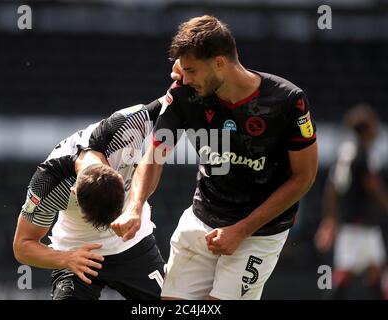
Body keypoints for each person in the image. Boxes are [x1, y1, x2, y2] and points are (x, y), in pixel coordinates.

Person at [111, 15, 318, 300]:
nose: (185, 77)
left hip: (259, 233)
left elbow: (304, 177)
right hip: (201, 219)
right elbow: (154, 156)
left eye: (192, 70)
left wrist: (241, 231)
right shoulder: (185, 94)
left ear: (220, 62)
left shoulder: (288, 101)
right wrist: (134, 207)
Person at [13, 100, 166, 300]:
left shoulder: (125, 127)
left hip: (132, 244)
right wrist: (66, 259)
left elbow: (174, 97)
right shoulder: (48, 185)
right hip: (77, 254)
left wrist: (179, 72)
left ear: (118, 177)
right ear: (74, 191)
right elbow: (22, 246)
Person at [315, 104, 388, 299]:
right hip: (359, 224)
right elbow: (373, 188)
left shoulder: (347, 151)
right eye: (373, 125)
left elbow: (333, 188)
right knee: (345, 275)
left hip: (356, 223)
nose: (376, 128)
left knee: (376, 272)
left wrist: (329, 219)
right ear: (366, 129)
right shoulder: (364, 153)